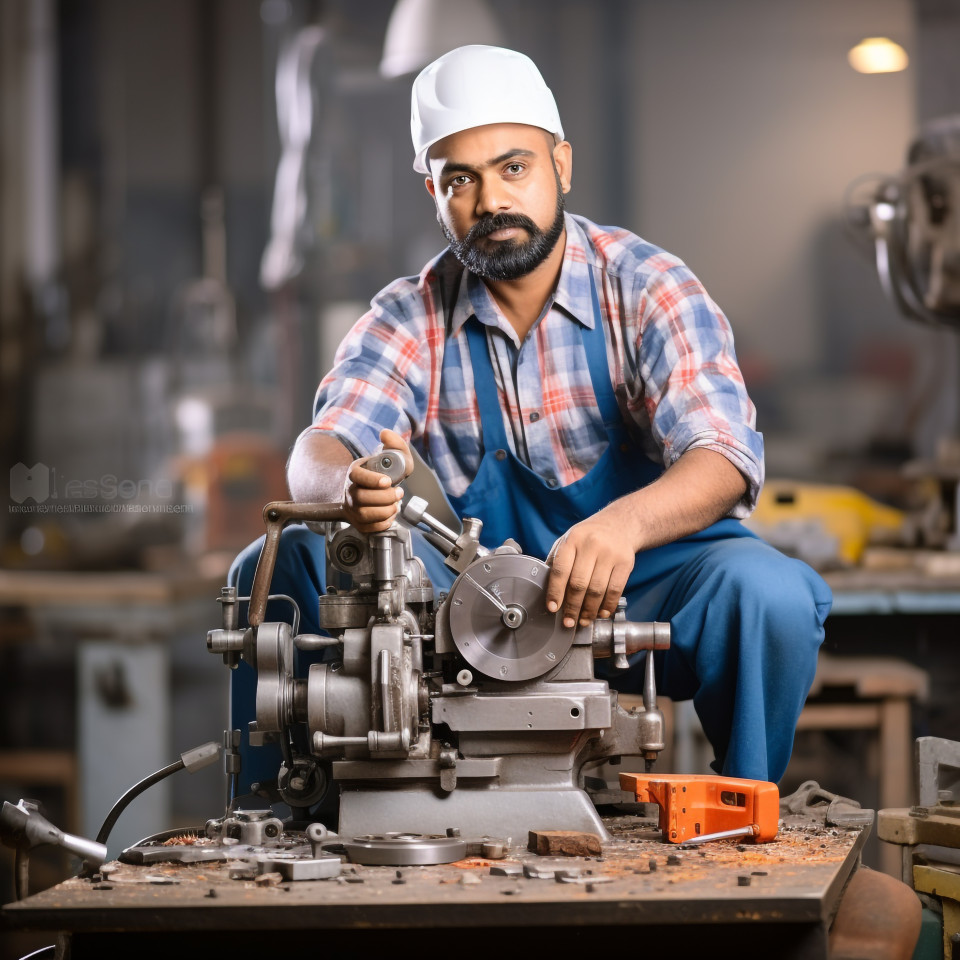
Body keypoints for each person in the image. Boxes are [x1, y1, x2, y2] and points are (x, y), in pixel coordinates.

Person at [230, 44, 832, 795]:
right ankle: (282, 814)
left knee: (768, 595)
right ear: (434, 193)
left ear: (562, 166)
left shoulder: (646, 287)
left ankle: (743, 814)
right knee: (271, 570)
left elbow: (723, 454)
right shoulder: (409, 315)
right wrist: (344, 487)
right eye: (461, 180)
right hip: (475, 616)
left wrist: (622, 528)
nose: (490, 201)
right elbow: (322, 443)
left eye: (514, 168)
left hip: (640, 594)